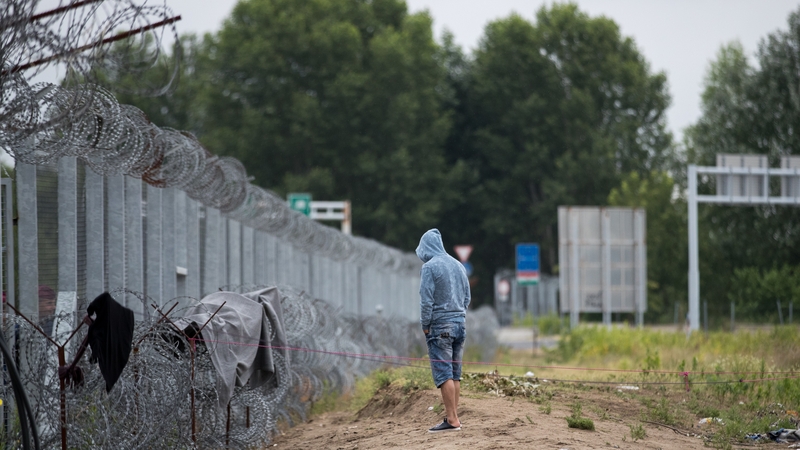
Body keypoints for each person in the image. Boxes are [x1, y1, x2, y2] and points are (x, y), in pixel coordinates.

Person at [416, 228, 470, 433]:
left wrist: (425, 325)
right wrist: (459, 314)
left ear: (426, 248)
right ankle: (454, 417)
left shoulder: (430, 267)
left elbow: (426, 300)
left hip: (440, 326)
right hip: (460, 324)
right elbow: (467, 298)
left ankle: (452, 419)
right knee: (455, 374)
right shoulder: (458, 265)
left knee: (444, 374)